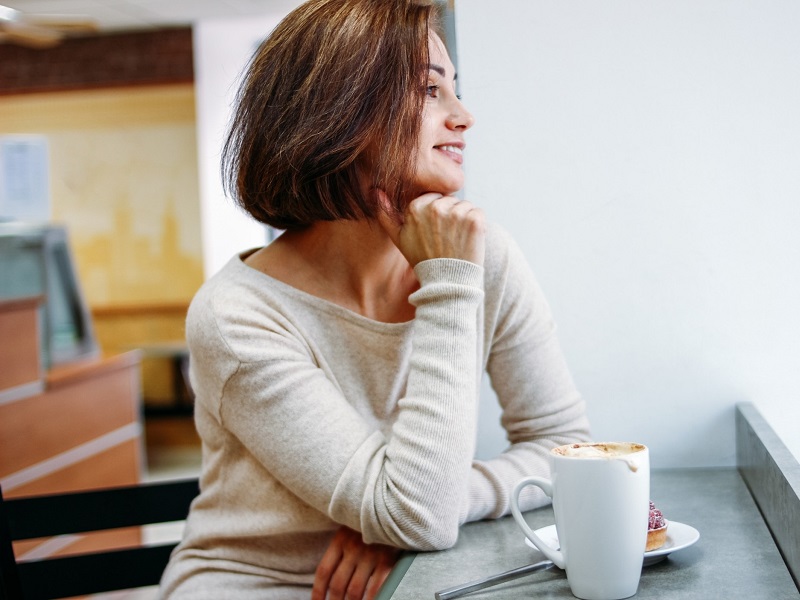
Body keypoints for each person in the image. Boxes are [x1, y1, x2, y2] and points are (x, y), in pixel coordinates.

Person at [158, 0, 591, 598]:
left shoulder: (479, 256)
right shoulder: (236, 316)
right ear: (341, 113)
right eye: (430, 90)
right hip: (261, 586)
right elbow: (417, 514)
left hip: (413, 574)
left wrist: (407, 512)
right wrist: (446, 286)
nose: (463, 116)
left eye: (455, 89)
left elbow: (567, 450)